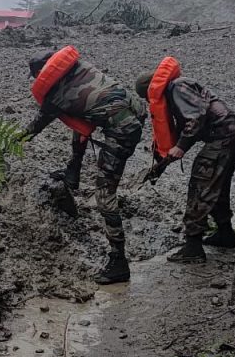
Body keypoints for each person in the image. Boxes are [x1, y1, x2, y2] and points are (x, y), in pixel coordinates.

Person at [24, 45, 146, 284]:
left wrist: (8, 142)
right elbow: (82, 120)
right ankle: (73, 173)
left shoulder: (53, 96)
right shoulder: (81, 69)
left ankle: (118, 261)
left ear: (42, 74)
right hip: (136, 112)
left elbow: (35, 127)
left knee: (104, 193)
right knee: (79, 126)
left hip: (122, 131)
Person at [135, 57, 235, 264]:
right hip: (231, 132)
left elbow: (196, 117)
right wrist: (162, 160)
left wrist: (181, 146)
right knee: (217, 185)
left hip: (224, 135)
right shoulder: (178, 88)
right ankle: (225, 234)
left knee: (201, 184)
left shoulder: (177, 87)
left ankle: (193, 247)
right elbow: (186, 124)